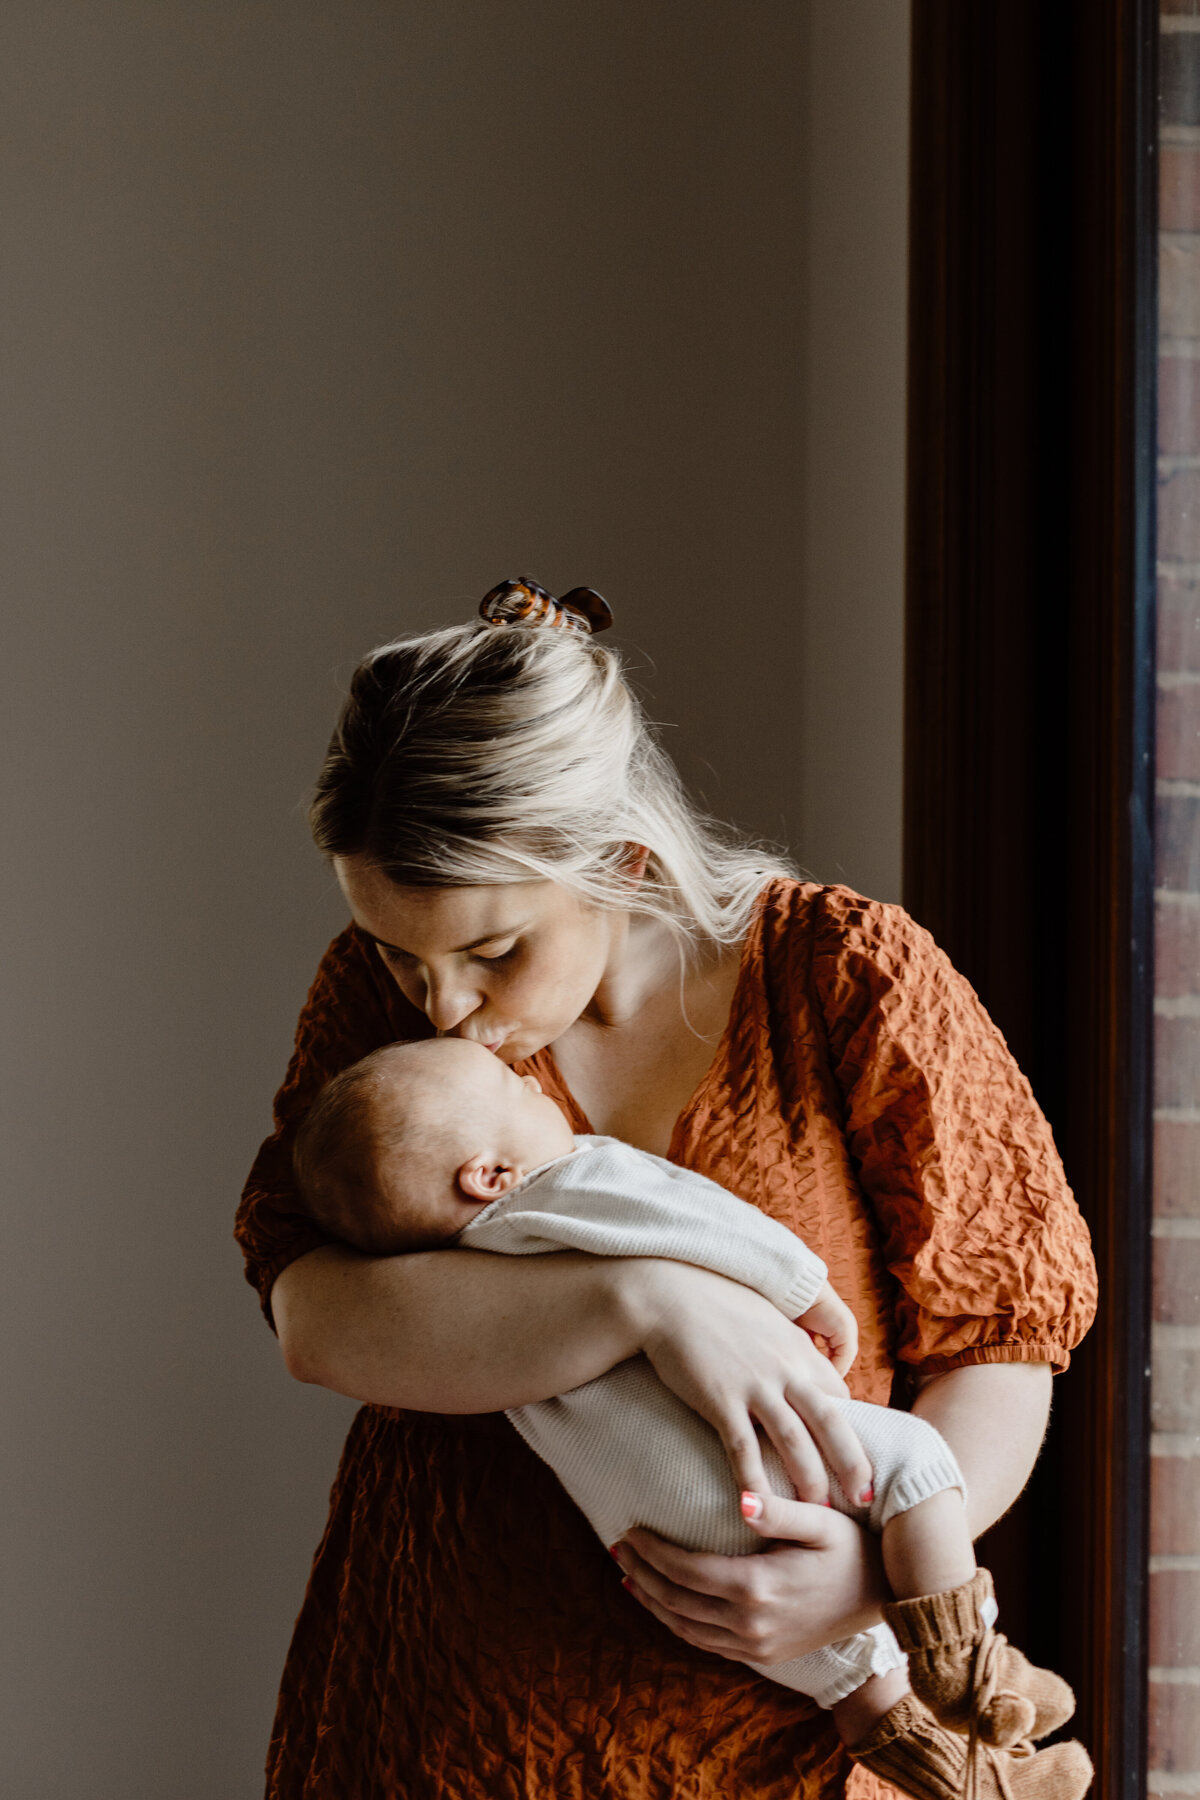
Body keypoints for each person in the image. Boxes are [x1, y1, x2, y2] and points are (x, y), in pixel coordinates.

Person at [236, 579, 1099, 1800]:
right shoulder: (382, 1016)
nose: (439, 1007)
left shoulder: (847, 980)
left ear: (620, 863)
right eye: (396, 952)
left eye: (492, 952)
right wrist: (644, 1301)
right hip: (451, 1727)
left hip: (791, 1740)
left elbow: (1001, 1337)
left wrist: (873, 1576)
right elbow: (316, 1319)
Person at [287, 1032, 1092, 1800]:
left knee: (849, 1679)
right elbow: (695, 1218)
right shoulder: (569, 1182)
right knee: (917, 1463)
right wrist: (803, 1290)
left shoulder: (454, 1275)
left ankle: (982, 1778)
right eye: (510, 1088)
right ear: (491, 1174)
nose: (531, 1081)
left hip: (672, 1543)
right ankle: (971, 1661)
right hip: (756, 1469)